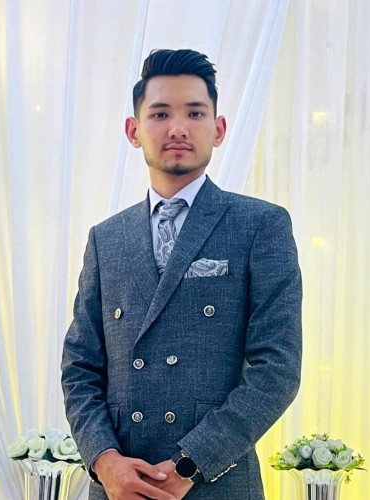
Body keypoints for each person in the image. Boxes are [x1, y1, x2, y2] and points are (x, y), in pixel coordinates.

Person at [61, 48, 302, 500]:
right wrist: (104, 461)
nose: (177, 128)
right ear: (134, 131)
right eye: (160, 114)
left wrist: (192, 463)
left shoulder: (260, 225)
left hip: (217, 483)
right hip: (118, 486)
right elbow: (80, 365)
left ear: (219, 128)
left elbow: (277, 369)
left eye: (194, 112)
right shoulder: (105, 239)